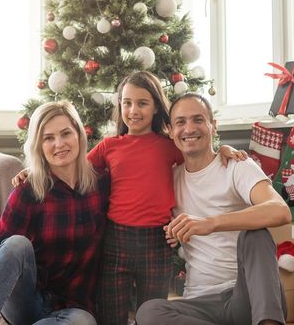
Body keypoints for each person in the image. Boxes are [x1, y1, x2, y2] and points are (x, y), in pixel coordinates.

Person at [87, 71, 246, 325]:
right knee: (110, 315)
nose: (133, 110)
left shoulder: (169, 145)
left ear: (155, 108)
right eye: (127, 103)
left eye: (142, 103)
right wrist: (33, 170)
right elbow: (75, 171)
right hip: (116, 240)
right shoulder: (109, 146)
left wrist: (223, 149)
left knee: (151, 313)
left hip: (157, 241)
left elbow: (201, 157)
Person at [135, 93, 291, 325]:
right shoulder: (169, 179)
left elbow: (280, 211)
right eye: (180, 122)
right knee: (149, 312)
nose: (189, 128)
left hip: (247, 297)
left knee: (256, 235)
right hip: (199, 303)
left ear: (213, 126)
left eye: (198, 120)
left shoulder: (237, 166)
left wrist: (210, 223)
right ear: (170, 130)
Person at [0, 101, 110, 325]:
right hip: (28, 300)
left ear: (79, 134)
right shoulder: (29, 189)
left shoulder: (101, 183)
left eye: (65, 133)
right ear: (39, 145)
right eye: (48, 138)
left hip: (75, 308)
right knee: (15, 243)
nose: (59, 144)